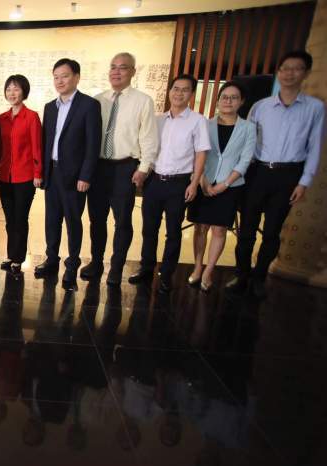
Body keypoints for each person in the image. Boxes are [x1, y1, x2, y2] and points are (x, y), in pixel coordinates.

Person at [228, 50, 325, 298]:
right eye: (285, 68)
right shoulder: (260, 107)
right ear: (278, 72)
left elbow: (315, 147)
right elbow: (247, 143)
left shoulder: (315, 108)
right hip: (257, 172)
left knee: (272, 231)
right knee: (246, 229)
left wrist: (304, 182)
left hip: (288, 175)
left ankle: (259, 278)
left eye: (296, 68)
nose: (289, 73)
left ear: (305, 73)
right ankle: (241, 275)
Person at [128, 74, 209, 293]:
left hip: (179, 183)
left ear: (191, 94)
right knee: (149, 229)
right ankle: (146, 268)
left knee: (173, 232)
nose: (179, 93)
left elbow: (201, 153)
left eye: (185, 89)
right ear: (170, 91)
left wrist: (194, 183)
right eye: (176, 88)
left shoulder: (198, 121)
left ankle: (166, 274)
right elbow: (148, 148)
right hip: (154, 181)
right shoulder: (157, 119)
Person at [86, 53, 159, 286]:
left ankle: (116, 267)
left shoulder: (143, 101)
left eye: (123, 67)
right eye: (113, 67)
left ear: (133, 72)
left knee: (122, 221)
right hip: (98, 167)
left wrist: (144, 168)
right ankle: (96, 262)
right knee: (97, 219)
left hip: (125, 167)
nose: (116, 72)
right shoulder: (97, 100)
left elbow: (149, 138)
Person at [36, 58, 102, 290]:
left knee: (73, 221)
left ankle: (72, 265)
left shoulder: (89, 105)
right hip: (52, 173)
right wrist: (42, 172)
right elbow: (46, 142)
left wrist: (86, 176)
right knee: (51, 220)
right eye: (56, 77)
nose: (60, 81)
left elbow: (93, 145)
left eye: (64, 76)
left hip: (75, 177)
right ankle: (51, 259)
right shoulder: (50, 107)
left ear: (76, 77)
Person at [187, 82, 255, 291]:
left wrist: (225, 184)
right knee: (200, 227)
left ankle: (209, 270)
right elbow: (196, 154)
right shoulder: (205, 124)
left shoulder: (248, 128)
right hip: (203, 181)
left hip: (230, 185)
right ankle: (197, 267)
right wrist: (202, 180)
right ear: (217, 101)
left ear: (241, 102)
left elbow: (245, 160)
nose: (228, 101)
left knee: (219, 229)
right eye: (224, 97)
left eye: (234, 97)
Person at [0, 74, 42, 276]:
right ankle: (10, 254)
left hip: (25, 177)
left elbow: (37, 147)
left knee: (20, 218)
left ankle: (18, 258)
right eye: (9, 89)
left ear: (24, 92)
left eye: (16, 89)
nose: (12, 93)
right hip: (4, 175)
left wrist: (38, 173)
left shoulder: (31, 117)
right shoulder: (2, 118)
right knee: (9, 219)